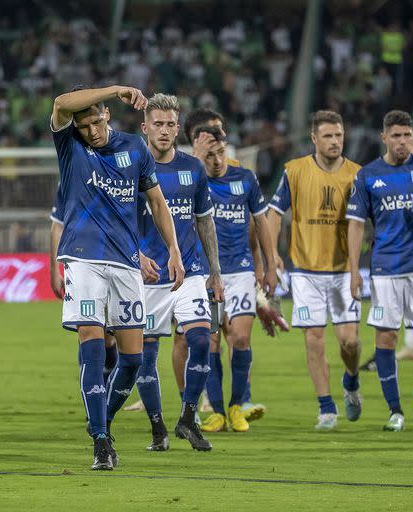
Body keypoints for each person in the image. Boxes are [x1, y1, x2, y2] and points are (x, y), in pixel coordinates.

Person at [51, 84, 184, 470]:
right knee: (92, 339)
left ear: (107, 115)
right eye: (84, 124)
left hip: (126, 263)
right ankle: (100, 441)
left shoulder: (134, 149)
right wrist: (116, 89)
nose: (90, 130)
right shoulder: (69, 146)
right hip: (83, 259)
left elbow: (156, 201)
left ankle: (103, 421)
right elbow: (61, 103)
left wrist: (173, 250)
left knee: (133, 358)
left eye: (95, 120)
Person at [347, 110, 413, 431]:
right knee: (386, 337)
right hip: (385, 269)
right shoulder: (368, 176)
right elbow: (355, 225)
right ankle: (395, 411)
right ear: (384, 137)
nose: (402, 142)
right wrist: (354, 270)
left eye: (407, 135)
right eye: (396, 136)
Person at [132, 94, 224, 452]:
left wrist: (215, 272)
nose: (166, 130)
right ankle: (158, 428)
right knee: (144, 357)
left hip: (190, 271)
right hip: (147, 277)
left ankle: (188, 417)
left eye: (171, 124)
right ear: (145, 128)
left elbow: (204, 221)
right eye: (158, 124)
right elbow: (118, 221)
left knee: (201, 340)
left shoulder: (193, 168)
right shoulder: (130, 169)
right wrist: (136, 255)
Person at [268, 110, 363, 430]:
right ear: (314, 138)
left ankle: (351, 380)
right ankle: (326, 407)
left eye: (339, 135)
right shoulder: (294, 171)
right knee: (314, 340)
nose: (335, 141)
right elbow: (274, 213)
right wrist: (273, 255)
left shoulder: (356, 175)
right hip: (306, 272)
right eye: (328, 136)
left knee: (350, 343)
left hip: (341, 271)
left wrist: (357, 268)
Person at [188, 125, 278, 434]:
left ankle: (237, 406)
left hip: (239, 272)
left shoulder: (246, 179)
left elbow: (262, 223)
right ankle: (215, 412)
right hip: (204, 273)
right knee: (210, 342)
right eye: (208, 155)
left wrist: (269, 266)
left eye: (220, 152)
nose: (216, 160)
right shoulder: (193, 180)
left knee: (239, 339)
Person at [50, 188, 119, 384]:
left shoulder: (119, 172)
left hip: (117, 261)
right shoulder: (72, 175)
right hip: (82, 261)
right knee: (87, 329)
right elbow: (57, 225)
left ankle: (108, 391)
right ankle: (94, 394)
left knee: (111, 337)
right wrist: (55, 269)